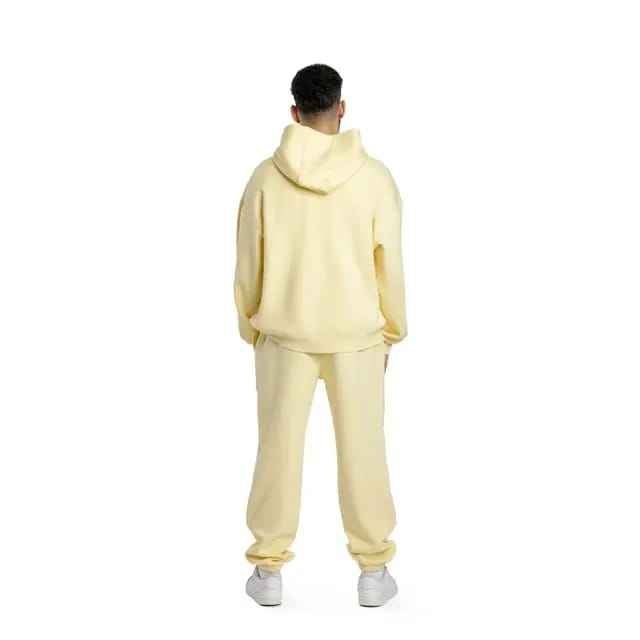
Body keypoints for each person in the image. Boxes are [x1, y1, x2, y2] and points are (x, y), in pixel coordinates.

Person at [234, 64, 407, 607]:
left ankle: (267, 570)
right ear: (341, 108)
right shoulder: (374, 177)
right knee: (364, 450)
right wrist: (392, 331)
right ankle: (373, 569)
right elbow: (389, 264)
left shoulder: (265, 179)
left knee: (277, 450)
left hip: (284, 334)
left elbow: (248, 262)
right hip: (357, 336)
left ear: (294, 113)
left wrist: (251, 325)